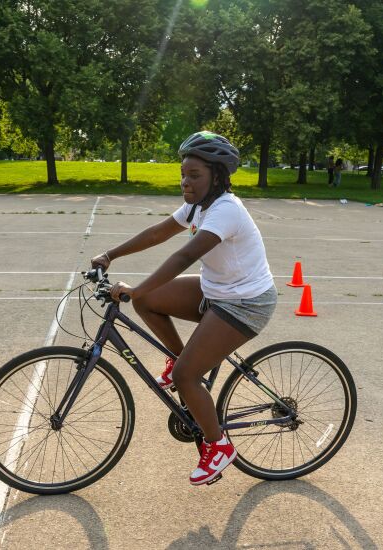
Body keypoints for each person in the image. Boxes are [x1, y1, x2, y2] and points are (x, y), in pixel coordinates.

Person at [90, 131, 277, 486]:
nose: (185, 182)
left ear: (217, 177)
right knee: (148, 301)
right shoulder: (197, 206)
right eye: (183, 174)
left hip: (246, 303)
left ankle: (218, 445)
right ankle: (181, 361)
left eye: (194, 175)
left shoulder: (226, 210)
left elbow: (185, 255)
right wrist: (110, 255)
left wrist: (135, 288)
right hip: (216, 291)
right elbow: (157, 233)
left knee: (184, 376)